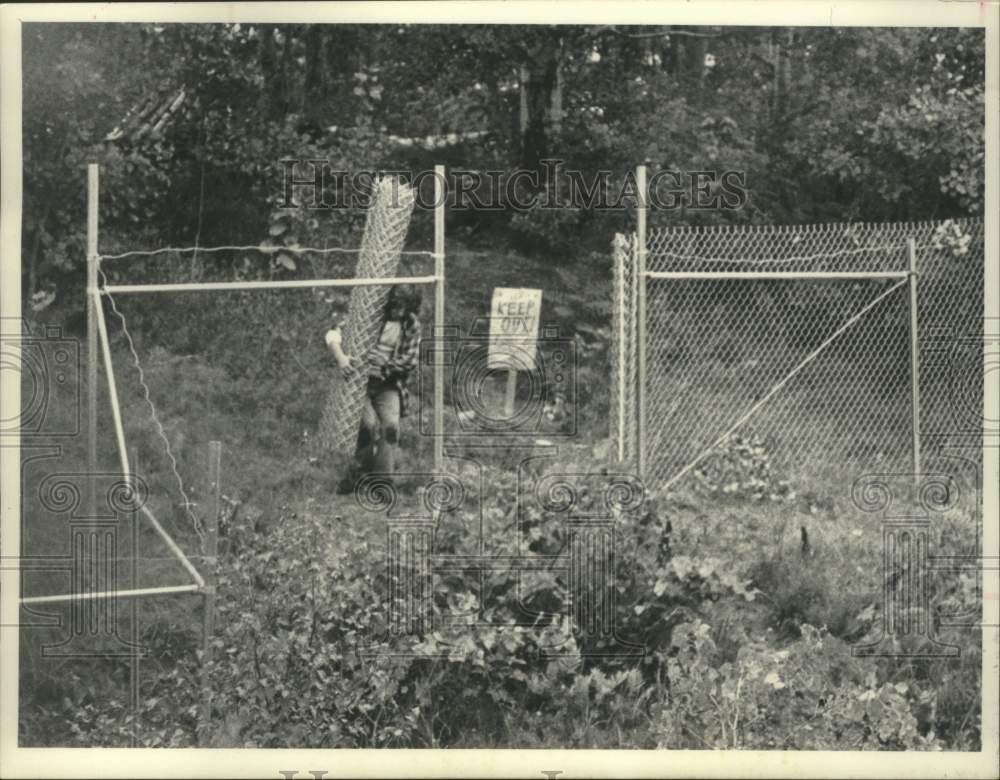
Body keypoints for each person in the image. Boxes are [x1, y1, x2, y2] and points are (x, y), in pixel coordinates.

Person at [332, 284, 422, 493]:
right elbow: (334, 332)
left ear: (410, 307)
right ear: (389, 303)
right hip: (360, 381)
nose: (397, 312)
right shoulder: (372, 316)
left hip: (388, 383)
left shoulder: (411, 325)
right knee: (366, 425)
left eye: (403, 308)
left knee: (391, 427)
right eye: (394, 306)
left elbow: (409, 361)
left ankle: (382, 483)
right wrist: (341, 358)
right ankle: (357, 474)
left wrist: (385, 363)